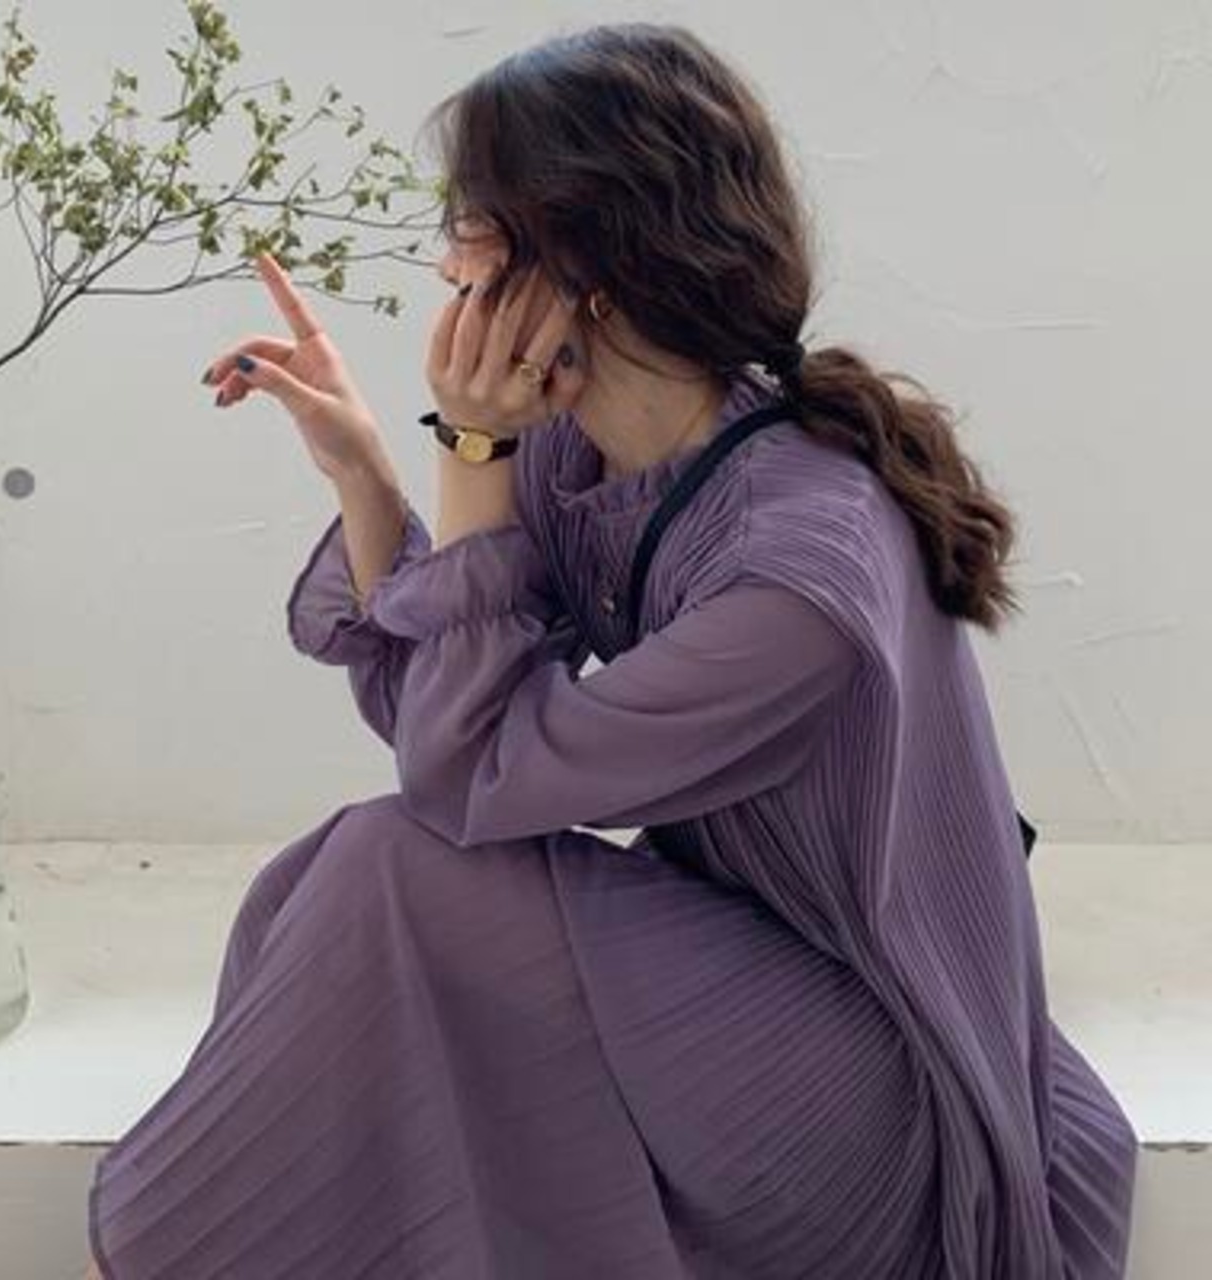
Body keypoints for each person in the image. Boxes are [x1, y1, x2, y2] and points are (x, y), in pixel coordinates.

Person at [86, 21, 1138, 1279]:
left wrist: (469, 451)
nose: (452, 269)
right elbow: (445, 728)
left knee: (386, 866)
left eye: (476, 232)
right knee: (320, 883)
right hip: (735, 981)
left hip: (878, 1094)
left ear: (589, 263)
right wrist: (367, 476)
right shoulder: (582, 456)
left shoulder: (795, 571)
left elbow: (464, 781)